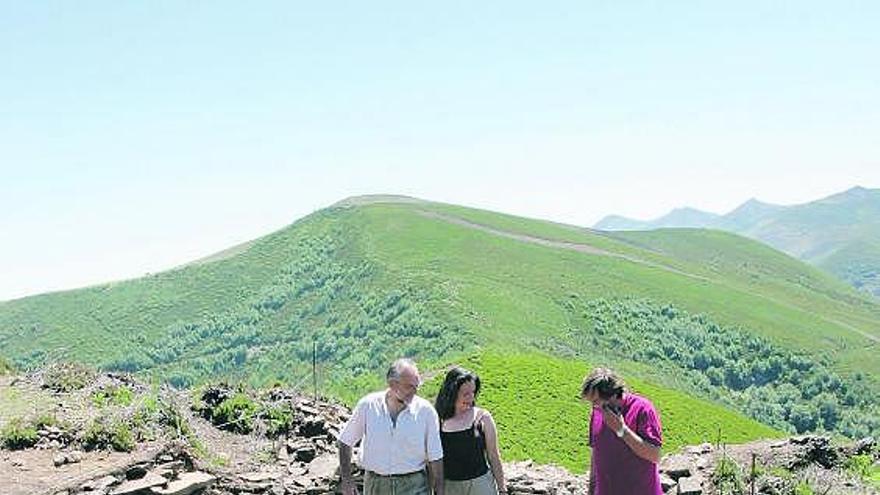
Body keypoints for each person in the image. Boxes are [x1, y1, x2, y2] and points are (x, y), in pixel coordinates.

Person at [338, 358, 445, 495]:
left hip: (414, 485)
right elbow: (345, 442)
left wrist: (439, 490)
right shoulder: (368, 406)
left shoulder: (426, 412)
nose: (414, 391)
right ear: (392, 384)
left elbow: (435, 456)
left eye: (416, 386)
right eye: (409, 386)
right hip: (376, 485)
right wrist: (347, 480)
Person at [580, 367, 663, 495]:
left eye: (596, 401)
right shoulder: (597, 412)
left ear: (612, 395)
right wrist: (591, 490)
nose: (594, 406)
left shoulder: (643, 409)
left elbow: (655, 455)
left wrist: (621, 430)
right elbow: (596, 454)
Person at [434, 367, 506, 495]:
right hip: (450, 487)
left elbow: (494, 456)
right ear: (452, 393)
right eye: (465, 394)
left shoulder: (483, 418)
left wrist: (502, 489)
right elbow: (435, 460)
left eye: (473, 392)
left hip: (481, 485)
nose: (471, 398)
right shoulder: (438, 420)